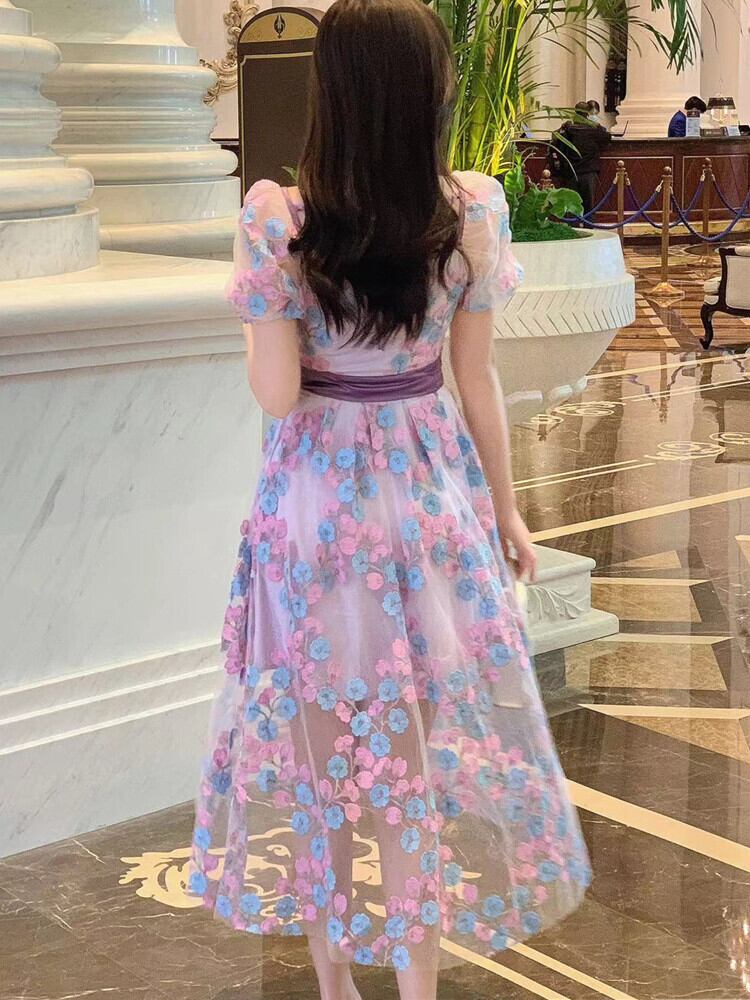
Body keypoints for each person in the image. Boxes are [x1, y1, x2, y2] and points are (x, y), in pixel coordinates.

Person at [188, 1, 591, 998]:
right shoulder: (471, 210)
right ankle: (418, 989)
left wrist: (266, 291)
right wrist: (506, 511)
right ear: (429, 93)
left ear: (331, 91)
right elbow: (476, 380)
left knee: (325, 780)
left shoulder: (280, 219)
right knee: (410, 777)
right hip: (428, 497)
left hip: (317, 511)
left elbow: (278, 394)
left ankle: (337, 990)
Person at [552, 102, 612, 218]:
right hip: (588, 171)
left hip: (571, 171)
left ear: (575, 112)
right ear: (588, 114)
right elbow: (607, 137)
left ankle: (573, 226)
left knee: (571, 205)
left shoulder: (568, 129)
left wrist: (563, 127)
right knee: (589, 207)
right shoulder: (594, 130)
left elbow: (555, 138)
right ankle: (589, 226)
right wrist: (598, 125)